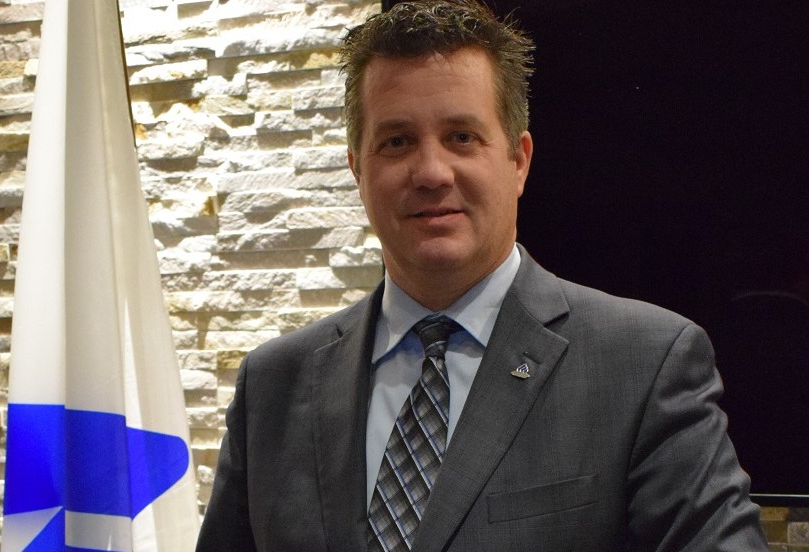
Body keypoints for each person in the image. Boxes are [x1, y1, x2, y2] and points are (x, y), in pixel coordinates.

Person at [196, 1, 767, 550]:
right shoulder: (272, 386)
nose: (431, 172)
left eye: (461, 137)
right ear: (357, 170)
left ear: (518, 161)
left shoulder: (645, 363)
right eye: (397, 141)